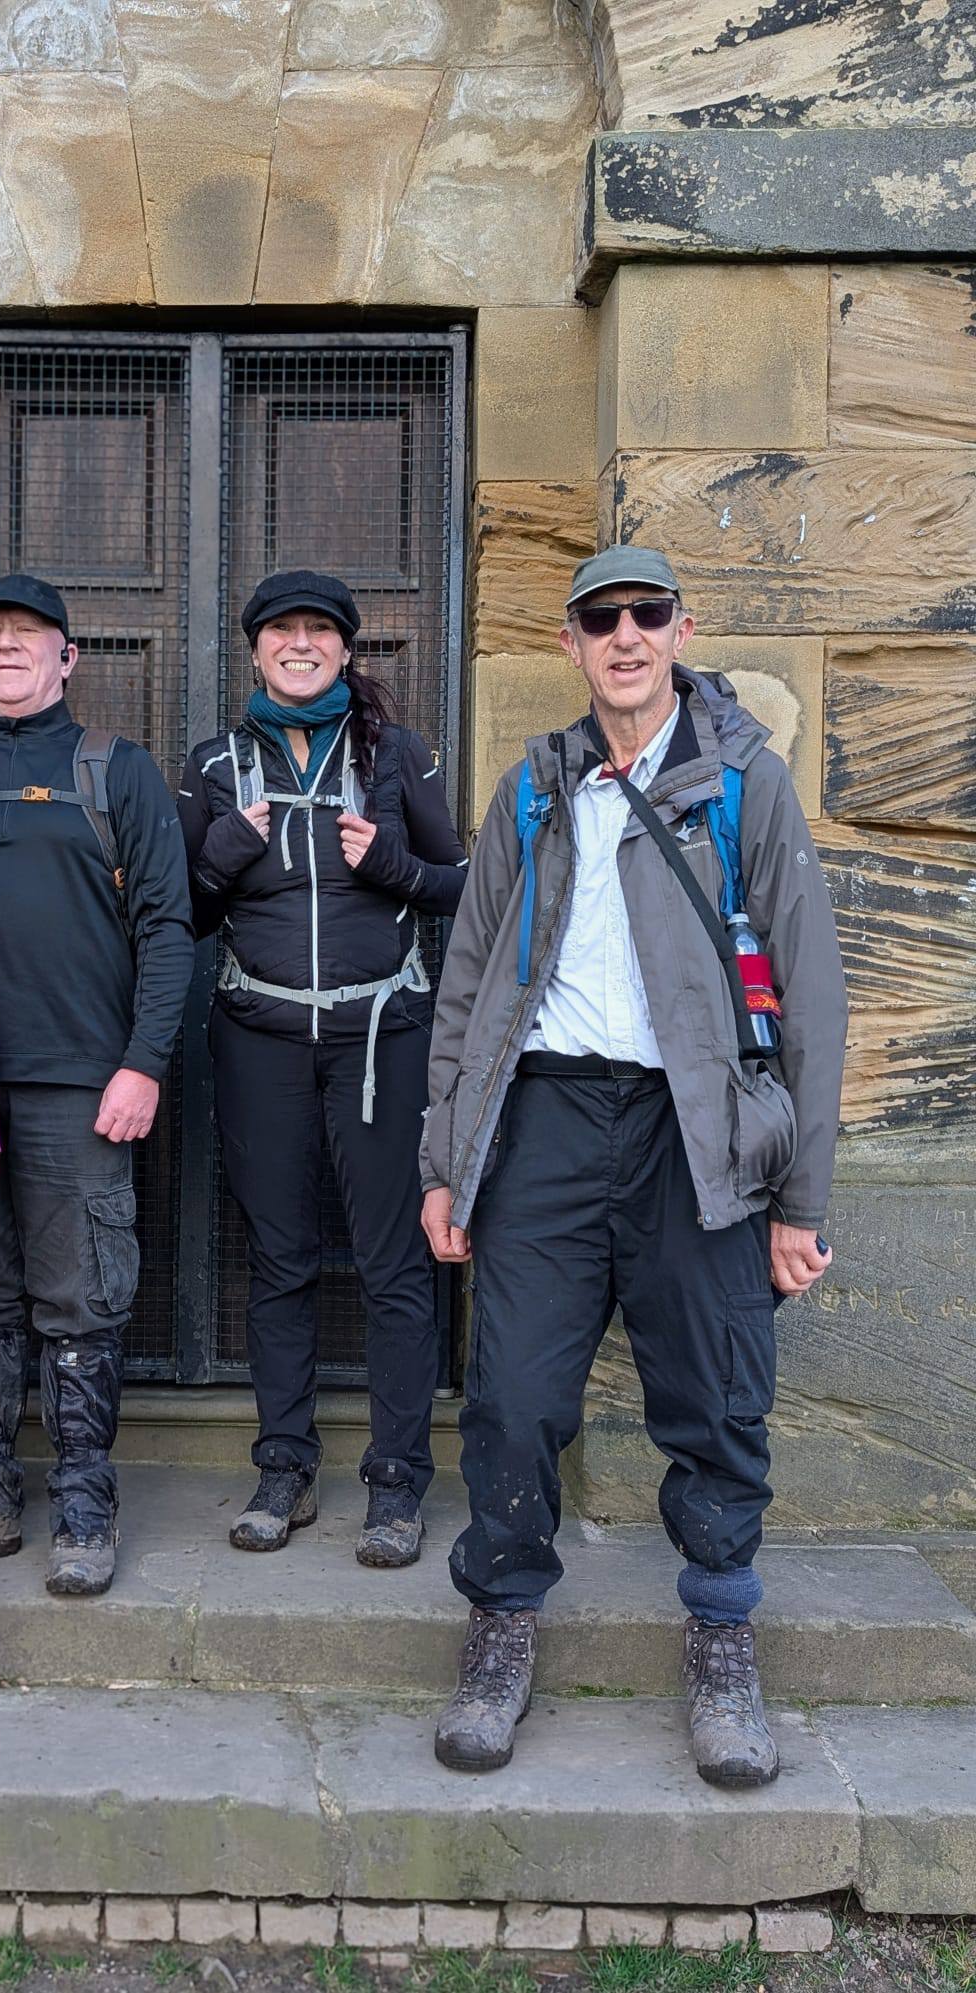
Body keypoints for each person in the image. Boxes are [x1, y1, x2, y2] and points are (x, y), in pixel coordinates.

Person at [421, 545, 847, 1788]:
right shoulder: (534, 790)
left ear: (679, 629)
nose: (624, 636)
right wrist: (450, 1160)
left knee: (718, 1392)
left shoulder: (742, 787)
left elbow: (811, 998)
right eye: (599, 619)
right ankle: (500, 1627)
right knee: (510, 1392)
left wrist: (801, 1200)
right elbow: (467, 982)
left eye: (645, 615)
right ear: (571, 643)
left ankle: (721, 1637)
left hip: (695, 1131)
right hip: (547, 1119)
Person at [0, 572, 194, 1598]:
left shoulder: (116, 771)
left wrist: (143, 1063)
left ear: (68, 659)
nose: (8, 647)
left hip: (81, 1086)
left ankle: (86, 1506)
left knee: (84, 1298)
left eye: (31, 635)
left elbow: (167, 929)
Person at [178, 570, 468, 1566]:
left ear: (346, 651)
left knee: (395, 1264)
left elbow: (467, 888)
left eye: (320, 631)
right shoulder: (216, 762)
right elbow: (181, 913)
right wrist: (216, 858)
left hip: (379, 1034)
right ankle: (285, 1469)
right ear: (255, 650)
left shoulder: (396, 755)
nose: (299, 644)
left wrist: (396, 868)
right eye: (281, 631)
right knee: (279, 1260)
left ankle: (395, 1484)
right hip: (257, 1034)